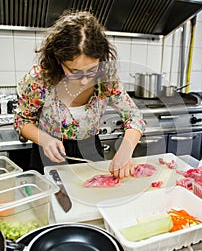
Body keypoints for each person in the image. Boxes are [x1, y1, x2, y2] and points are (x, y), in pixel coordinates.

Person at [14, 10, 146, 178]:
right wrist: (44, 140)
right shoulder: (39, 80)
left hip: (90, 153)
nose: (84, 81)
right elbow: (22, 120)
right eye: (74, 72)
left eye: (91, 70)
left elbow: (134, 117)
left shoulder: (107, 80)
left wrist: (126, 149)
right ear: (58, 60)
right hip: (47, 155)